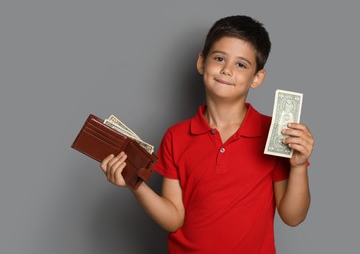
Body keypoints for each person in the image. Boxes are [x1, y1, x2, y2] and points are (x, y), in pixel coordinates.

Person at [100, 15, 314, 253]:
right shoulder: (176, 137)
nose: (227, 70)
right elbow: (174, 219)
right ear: (202, 63)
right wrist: (134, 183)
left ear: (257, 78)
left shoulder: (275, 133)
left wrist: (298, 167)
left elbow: (293, 217)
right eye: (219, 58)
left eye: (241, 64)